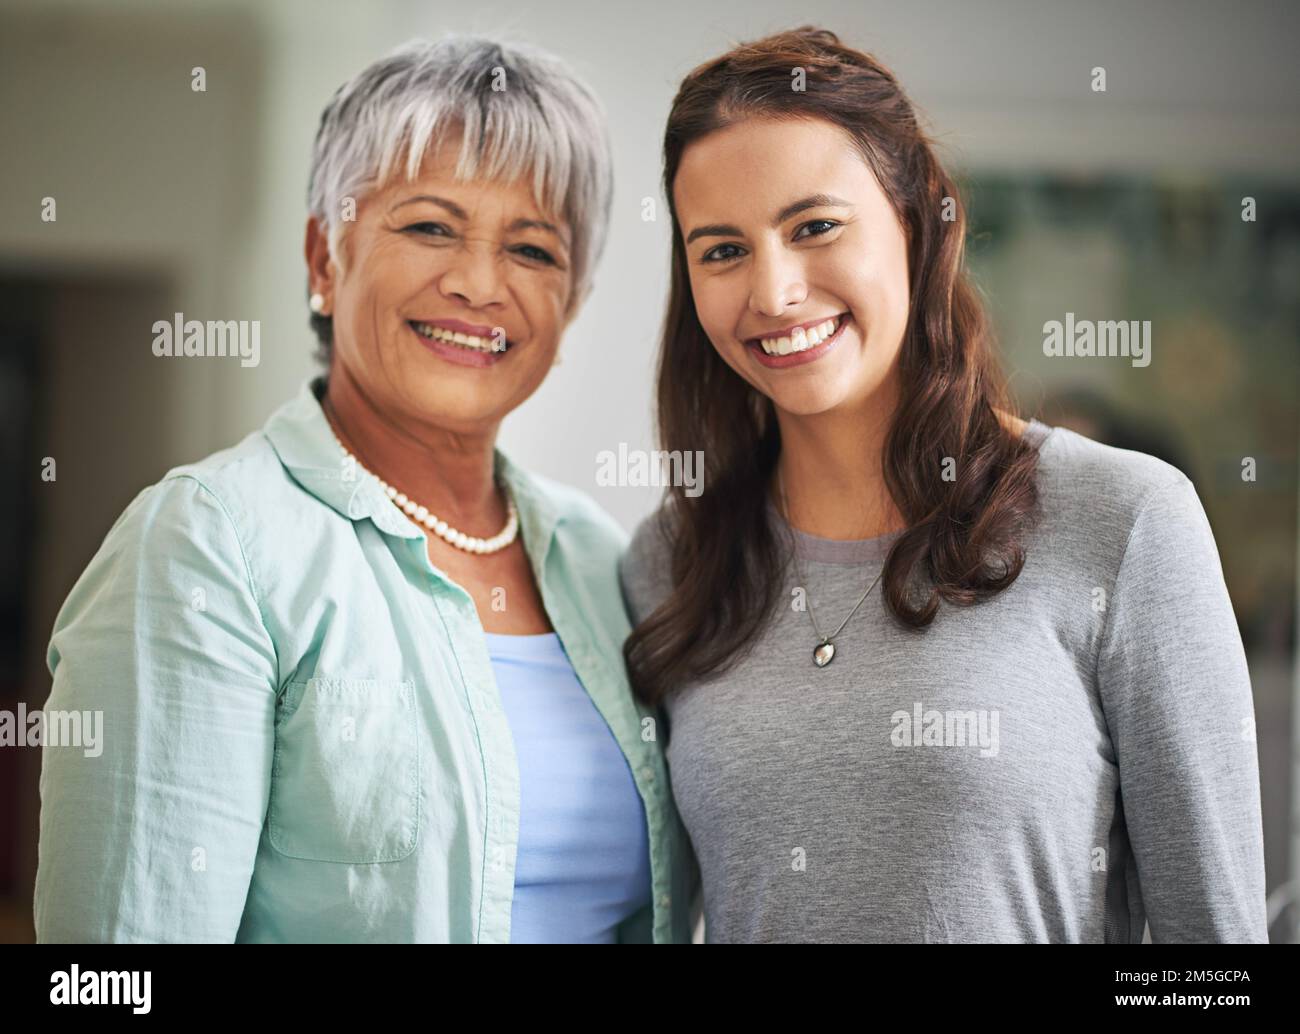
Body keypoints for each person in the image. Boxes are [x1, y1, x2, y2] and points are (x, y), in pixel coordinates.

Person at [35, 35, 692, 944]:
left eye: (533, 249)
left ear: (571, 301)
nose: (477, 283)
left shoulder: (597, 556)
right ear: (324, 258)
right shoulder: (204, 545)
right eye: (429, 226)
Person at [620, 26, 1267, 943]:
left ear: (920, 222)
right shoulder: (670, 561)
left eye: (814, 227)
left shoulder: (1124, 521)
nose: (772, 291)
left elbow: (1216, 969)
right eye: (721, 250)